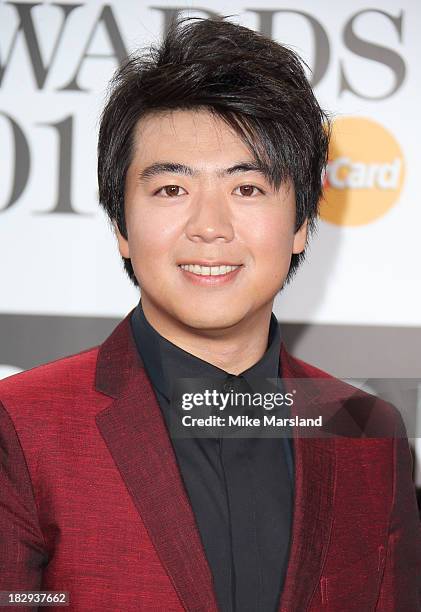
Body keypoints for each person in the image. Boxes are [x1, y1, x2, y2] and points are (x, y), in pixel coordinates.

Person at [0, 17, 420, 612]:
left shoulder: (368, 433)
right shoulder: (21, 426)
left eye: (246, 189)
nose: (209, 227)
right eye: (171, 190)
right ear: (121, 224)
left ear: (300, 223)